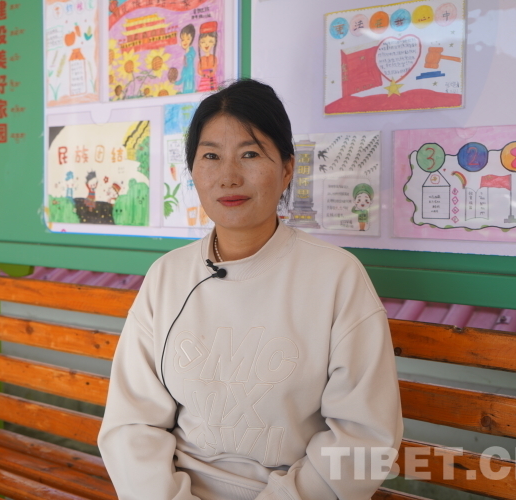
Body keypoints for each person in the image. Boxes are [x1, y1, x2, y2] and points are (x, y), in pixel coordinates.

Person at [98, 79, 403, 500]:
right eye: (211, 156)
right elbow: (131, 424)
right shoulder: (167, 276)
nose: (228, 176)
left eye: (250, 154)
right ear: (193, 171)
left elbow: (363, 436)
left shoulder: (337, 277)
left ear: (287, 169)